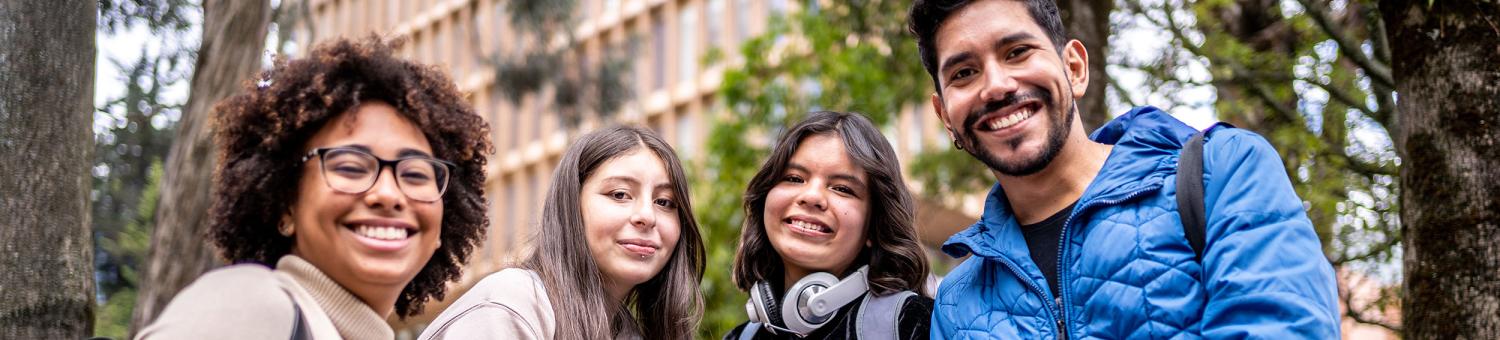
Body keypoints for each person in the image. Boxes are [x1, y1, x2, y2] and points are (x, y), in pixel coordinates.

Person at [906, 0, 1340, 338]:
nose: (996, 86)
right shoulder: (955, 304)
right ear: (946, 118)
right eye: (964, 73)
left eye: (1017, 52)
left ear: (1074, 68)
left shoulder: (1222, 172)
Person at [136, 36, 492, 339]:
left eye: (415, 175)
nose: (388, 194)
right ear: (285, 205)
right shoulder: (251, 306)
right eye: (350, 167)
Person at [420, 125, 704, 340]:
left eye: (664, 202)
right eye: (619, 194)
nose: (647, 216)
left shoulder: (627, 333)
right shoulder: (511, 304)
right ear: (571, 205)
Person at [726, 111, 933, 340]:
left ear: (875, 225)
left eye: (842, 188)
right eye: (794, 178)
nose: (812, 196)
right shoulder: (739, 337)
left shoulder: (915, 323)